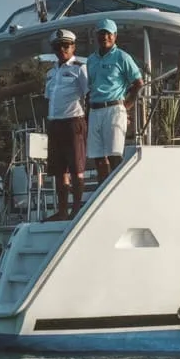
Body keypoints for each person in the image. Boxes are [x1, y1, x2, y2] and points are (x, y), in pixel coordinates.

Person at [86, 18, 144, 183]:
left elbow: (138, 83)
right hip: (94, 110)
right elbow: (90, 88)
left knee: (114, 156)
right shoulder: (91, 60)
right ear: (96, 36)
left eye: (108, 33)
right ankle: (102, 190)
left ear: (115, 36)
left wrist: (127, 105)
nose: (105, 37)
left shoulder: (122, 57)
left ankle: (118, 191)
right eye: (101, 33)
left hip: (114, 109)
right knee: (98, 157)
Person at [44, 28, 89, 221]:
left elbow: (88, 94)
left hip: (73, 122)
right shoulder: (50, 72)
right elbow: (48, 98)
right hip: (55, 123)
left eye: (65, 45)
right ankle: (62, 211)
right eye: (57, 47)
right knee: (59, 171)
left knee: (77, 169)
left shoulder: (80, 68)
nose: (62, 49)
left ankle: (76, 210)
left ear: (73, 47)